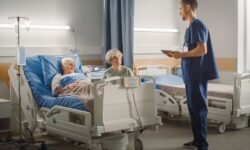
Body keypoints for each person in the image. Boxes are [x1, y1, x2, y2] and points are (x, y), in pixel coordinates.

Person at [162, 0, 219, 150]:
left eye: (180, 8)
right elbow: (191, 51)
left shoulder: (197, 24)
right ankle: (197, 140)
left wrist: (181, 54)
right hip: (191, 74)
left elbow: (202, 50)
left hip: (197, 74)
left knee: (199, 108)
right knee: (193, 108)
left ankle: (202, 145)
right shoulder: (190, 28)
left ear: (188, 7)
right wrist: (178, 54)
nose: (179, 11)